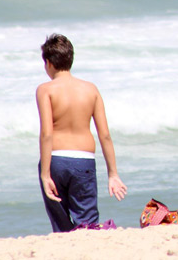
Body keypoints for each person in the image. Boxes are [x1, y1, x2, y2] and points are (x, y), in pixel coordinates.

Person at [37, 33, 127, 233]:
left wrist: (45, 174)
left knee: (61, 224)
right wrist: (113, 173)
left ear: (48, 63)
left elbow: (46, 134)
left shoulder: (45, 90)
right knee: (87, 225)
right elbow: (104, 135)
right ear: (71, 59)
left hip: (55, 161)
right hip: (83, 162)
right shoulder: (91, 89)